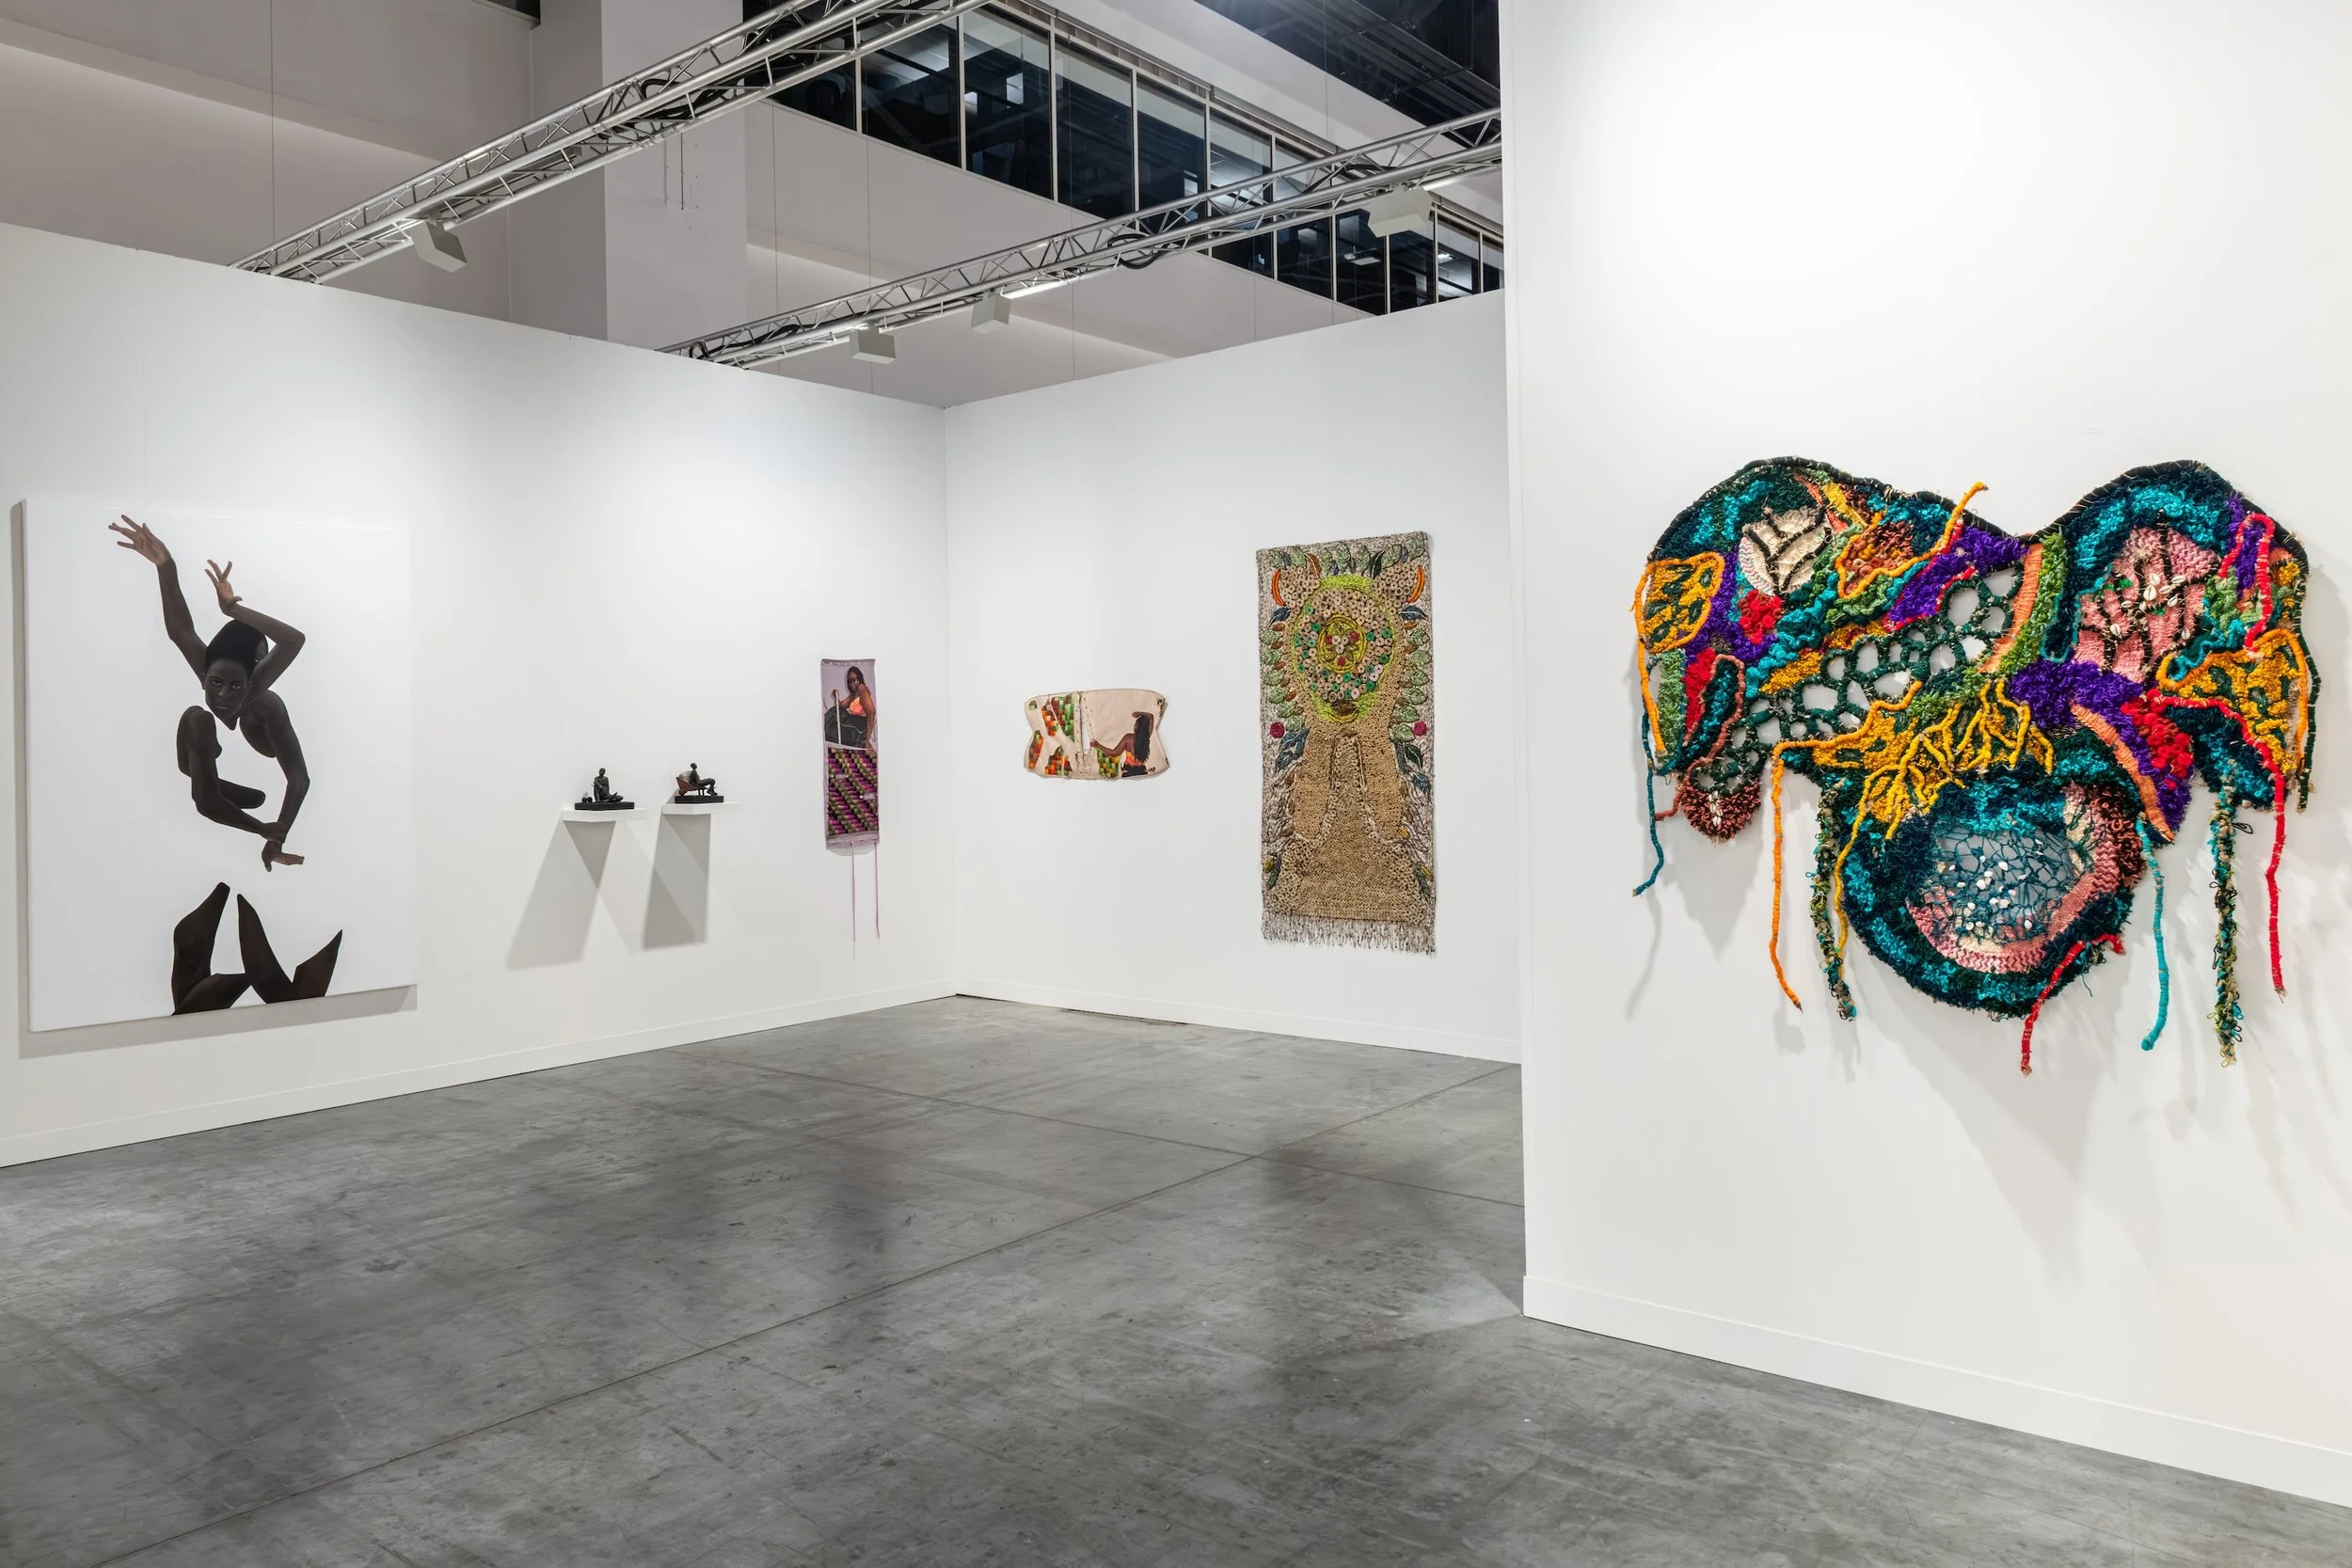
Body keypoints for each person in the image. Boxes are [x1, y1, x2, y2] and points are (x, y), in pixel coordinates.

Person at [111, 516, 310, 870]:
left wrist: (233, 609)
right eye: (216, 684)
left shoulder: (260, 697)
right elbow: (180, 630)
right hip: (208, 773)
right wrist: (165, 565)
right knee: (196, 719)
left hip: (260, 727)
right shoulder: (209, 674)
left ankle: (229, 787)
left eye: (236, 686)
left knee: (257, 710)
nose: (224, 695)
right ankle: (218, 783)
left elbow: (298, 777)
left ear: (251, 680)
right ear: (206, 677)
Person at [1090, 710, 1157, 779]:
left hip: (1128, 772)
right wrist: (1139, 714)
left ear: (1137, 726)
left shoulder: (1128, 738)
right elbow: (1151, 716)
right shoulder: (1146, 737)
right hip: (1142, 772)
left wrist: (1097, 745)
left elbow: (1113, 753)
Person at [826, 665, 878, 752]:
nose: (851, 684)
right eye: (849, 682)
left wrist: (867, 739)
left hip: (861, 727)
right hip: (854, 724)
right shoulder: (854, 694)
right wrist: (836, 696)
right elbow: (841, 705)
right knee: (836, 712)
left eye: (854, 680)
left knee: (837, 716)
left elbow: (871, 712)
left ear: (859, 679)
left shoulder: (861, 688)